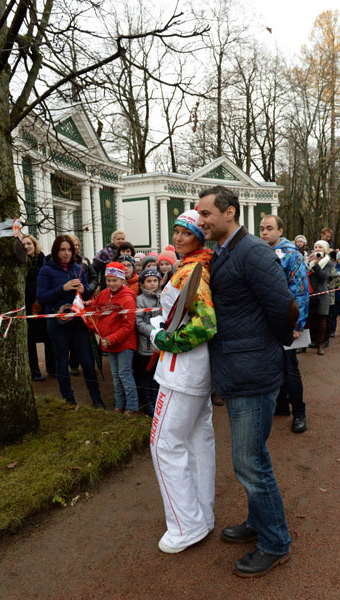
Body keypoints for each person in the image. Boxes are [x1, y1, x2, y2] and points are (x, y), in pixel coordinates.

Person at [197, 186, 298, 578]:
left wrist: (270, 346)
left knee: (249, 462)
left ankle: (275, 542)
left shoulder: (253, 251)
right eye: (199, 214)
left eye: (206, 213)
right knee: (253, 456)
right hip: (241, 370)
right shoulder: (226, 251)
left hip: (253, 372)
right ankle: (259, 523)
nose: (201, 220)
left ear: (230, 213)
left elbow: (284, 306)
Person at [149, 209, 217, 554]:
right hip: (193, 371)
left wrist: (163, 339)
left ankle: (185, 525)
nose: (178, 238)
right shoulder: (193, 266)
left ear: (199, 238)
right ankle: (201, 516)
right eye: (176, 231)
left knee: (164, 445)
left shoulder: (193, 271)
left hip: (181, 370)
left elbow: (205, 325)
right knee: (197, 441)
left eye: (186, 233)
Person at [37, 235, 105, 408]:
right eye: (62, 250)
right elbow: (41, 297)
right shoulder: (47, 270)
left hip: (77, 322)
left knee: (87, 362)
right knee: (62, 362)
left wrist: (85, 290)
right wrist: (63, 288)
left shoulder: (79, 268)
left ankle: (97, 398)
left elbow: (86, 295)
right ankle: (68, 399)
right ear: (56, 251)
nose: (67, 253)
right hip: (57, 323)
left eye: (69, 250)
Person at [260, 215, 309, 434]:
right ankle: (280, 406)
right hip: (265, 322)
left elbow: (300, 290)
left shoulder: (292, 255)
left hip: (287, 322)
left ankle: (299, 411)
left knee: (290, 368)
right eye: (261, 229)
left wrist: (297, 323)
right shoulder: (259, 252)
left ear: (280, 231)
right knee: (272, 364)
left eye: (269, 228)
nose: (264, 232)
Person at [91, 262, 139, 416]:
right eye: (108, 280)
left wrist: (111, 338)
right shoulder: (104, 294)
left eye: (115, 280)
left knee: (125, 374)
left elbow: (128, 326)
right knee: (116, 375)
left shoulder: (127, 299)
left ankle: (132, 407)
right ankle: (119, 404)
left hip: (124, 343)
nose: (111, 283)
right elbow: (95, 312)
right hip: (109, 343)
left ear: (122, 279)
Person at [22, 234, 55, 381]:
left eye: (29, 244)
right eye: (23, 245)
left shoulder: (43, 261)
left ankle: (52, 369)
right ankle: (34, 371)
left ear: (34, 245)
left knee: (48, 337)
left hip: (44, 303)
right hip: (28, 305)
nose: (27, 247)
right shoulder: (20, 263)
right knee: (30, 340)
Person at [68, 234, 98, 376]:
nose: (76, 248)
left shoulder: (84, 261)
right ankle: (73, 363)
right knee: (74, 334)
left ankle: (90, 362)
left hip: (85, 300)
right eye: (73, 245)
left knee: (87, 332)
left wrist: (88, 289)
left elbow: (94, 278)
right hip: (69, 303)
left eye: (77, 245)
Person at [134, 268, 161, 416]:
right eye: (149, 281)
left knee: (157, 376)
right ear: (143, 283)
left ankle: (157, 401)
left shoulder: (163, 297)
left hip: (160, 345)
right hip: (146, 345)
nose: (152, 284)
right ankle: (147, 403)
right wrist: (153, 332)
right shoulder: (140, 300)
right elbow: (138, 322)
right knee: (146, 376)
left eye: (155, 281)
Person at [307, 240, 334, 355]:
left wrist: (316, 264)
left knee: (321, 320)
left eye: (320, 247)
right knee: (308, 320)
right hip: (309, 294)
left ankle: (320, 345)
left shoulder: (329, 262)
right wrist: (308, 262)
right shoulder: (309, 260)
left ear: (325, 250)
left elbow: (323, 277)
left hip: (322, 295)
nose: (318, 249)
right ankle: (305, 344)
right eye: (316, 247)